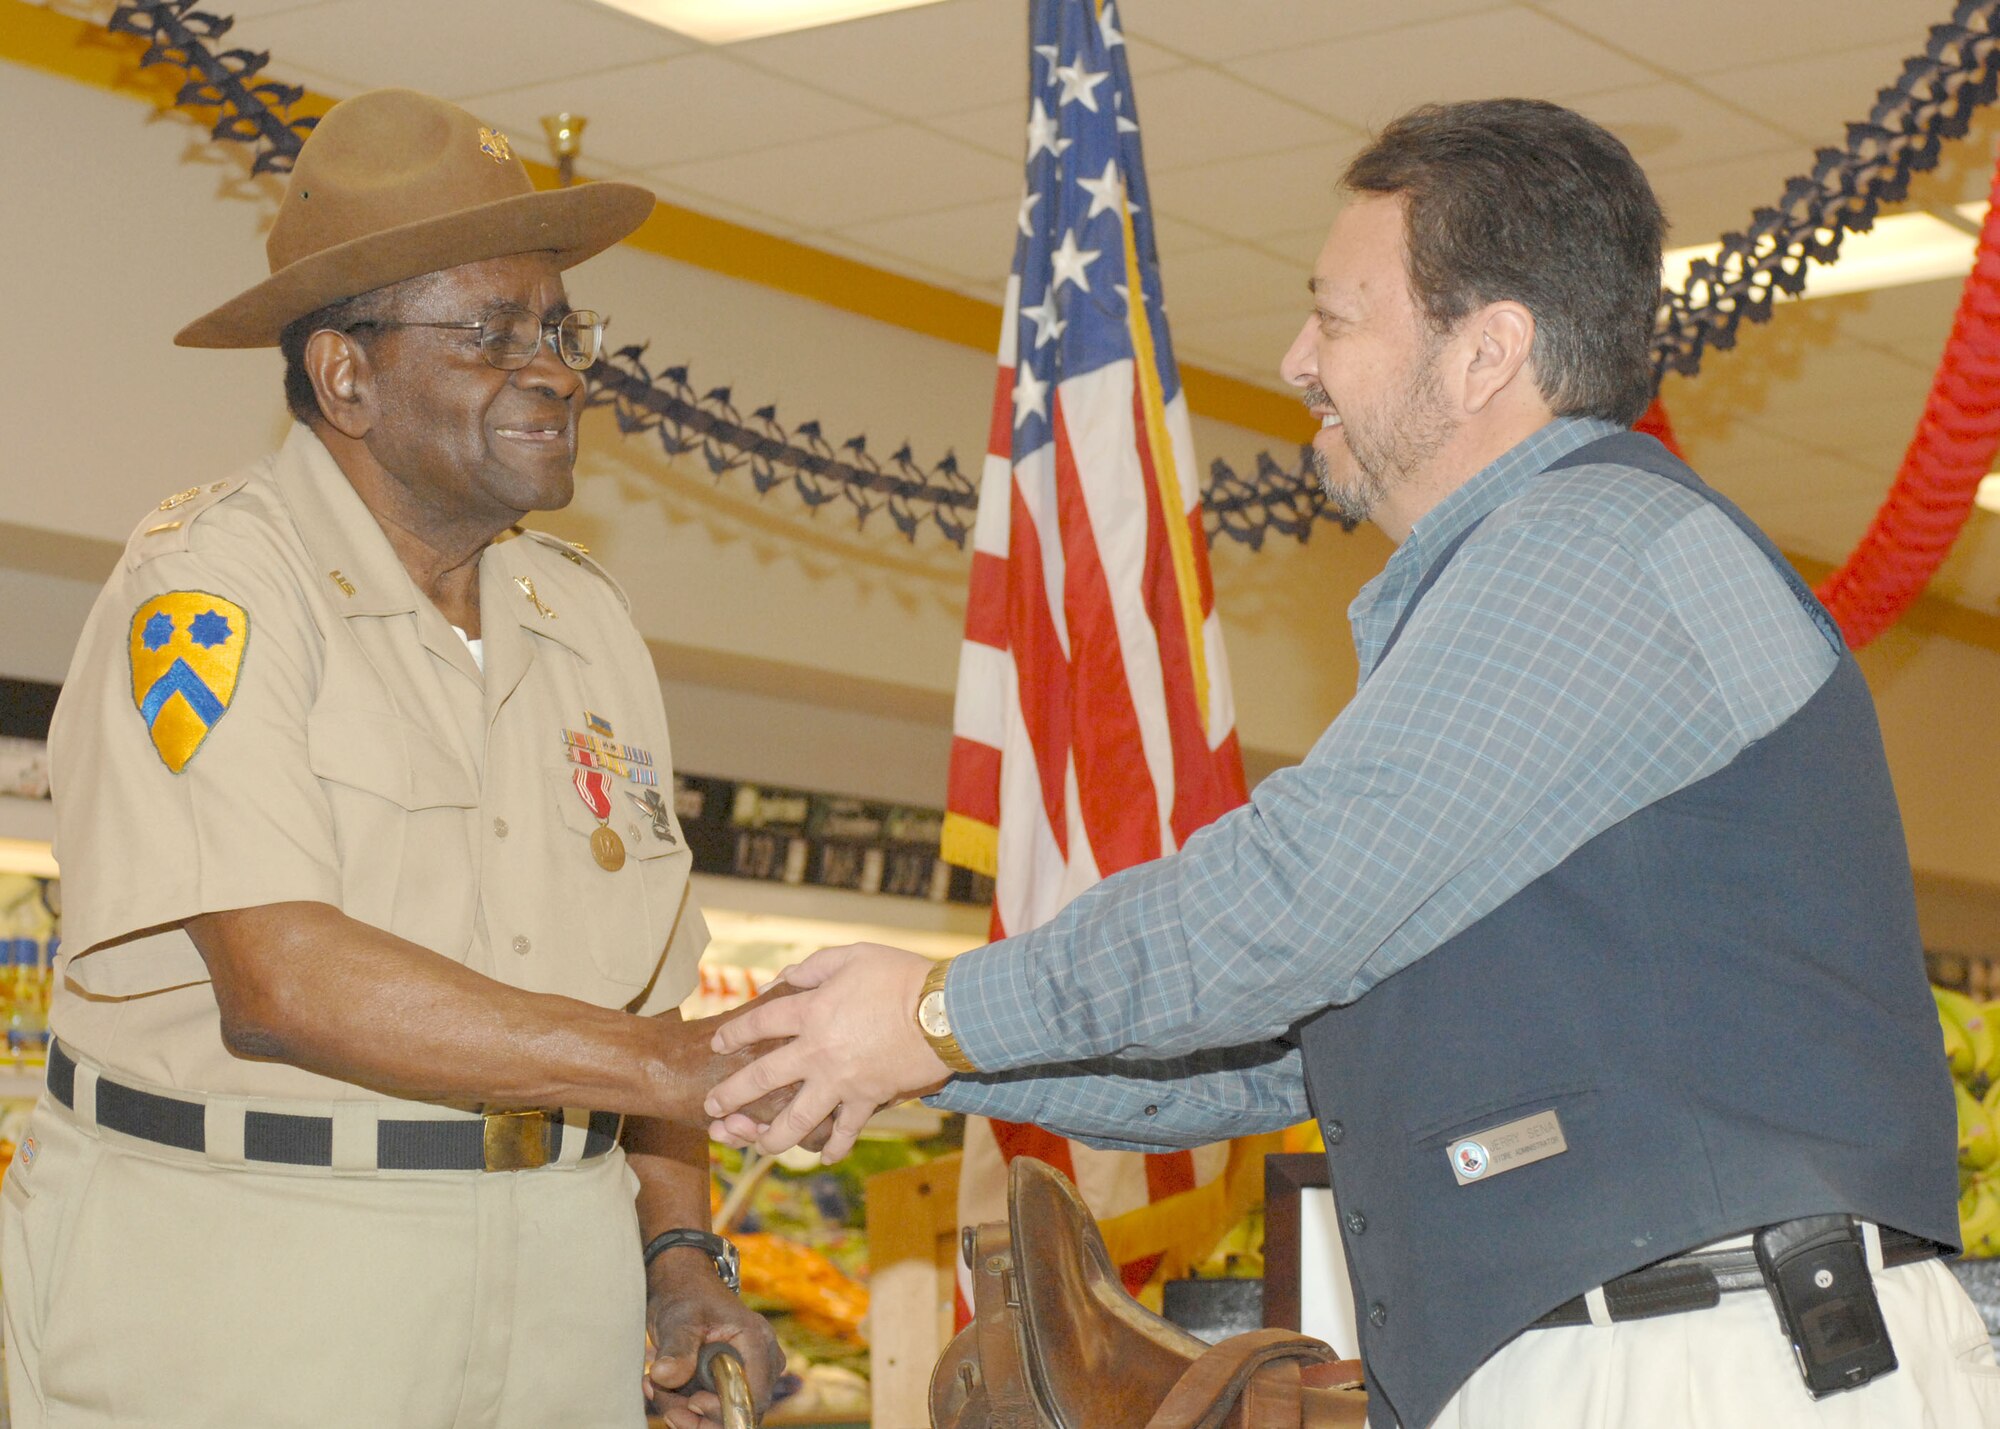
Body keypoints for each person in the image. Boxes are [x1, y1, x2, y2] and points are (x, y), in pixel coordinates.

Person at [706, 99, 1994, 1428]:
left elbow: (1288, 904)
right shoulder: (1542, 578)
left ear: (1487, 352)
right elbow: (1284, 1051)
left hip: (1708, 1362)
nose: (1297, 359)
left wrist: (935, 1016)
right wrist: (912, 1050)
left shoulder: (1597, 548)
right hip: (1655, 1351)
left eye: (1335, 317)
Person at [7, 88, 787, 1429]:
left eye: (561, 331)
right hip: (249, 1287)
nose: (555, 371)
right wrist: (663, 1066)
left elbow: (650, 998)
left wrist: (675, 1252)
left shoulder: (586, 622)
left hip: (560, 1295)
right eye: (492, 333)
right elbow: (281, 977)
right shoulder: (213, 585)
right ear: (347, 378)